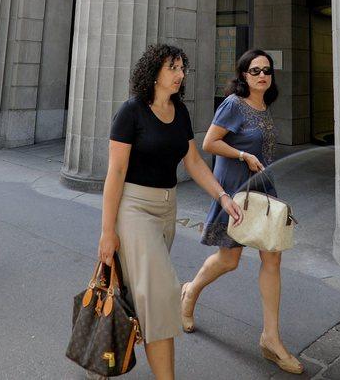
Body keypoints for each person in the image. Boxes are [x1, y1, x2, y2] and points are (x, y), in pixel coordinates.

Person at [98, 44, 242, 380]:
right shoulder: (131, 112)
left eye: (182, 68)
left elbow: (192, 161)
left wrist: (222, 196)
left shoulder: (180, 110)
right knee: (162, 296)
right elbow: (115, 173)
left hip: (167, 209)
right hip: (133, 208)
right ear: (154, 72)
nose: (180, 75)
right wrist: (107, 231)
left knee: (142, 293)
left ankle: (109, 345)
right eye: (173, 68)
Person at [181, 49, 303, 375]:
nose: (262, 75)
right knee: (229, 260)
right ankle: (190, 291)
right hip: (235, 190)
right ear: (243, 75)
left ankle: (271, 339)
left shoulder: (264, 107)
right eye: (254, 71)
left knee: (273, 257)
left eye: (266, 70)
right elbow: (208, 142)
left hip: (262, 189)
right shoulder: (234, 104)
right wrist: (241, 155)